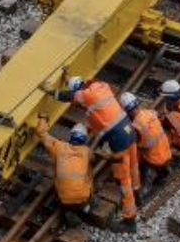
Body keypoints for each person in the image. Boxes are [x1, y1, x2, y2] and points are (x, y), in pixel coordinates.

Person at [57, 77, 138, 221]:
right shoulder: (102, 85)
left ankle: (130, 218)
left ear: (79, 89)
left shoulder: (86, 95)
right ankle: (138, 190)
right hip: (128, 130)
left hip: (118, 141)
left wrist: (52, 92)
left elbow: (69, 96)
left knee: (124, 180)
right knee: (134, 165)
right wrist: (67, 77)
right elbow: (98, 123)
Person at [36, 118, 93, 217]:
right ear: (84, 139)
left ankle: (68, 211)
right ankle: (85, 206)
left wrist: (42, 118)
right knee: (89, 173)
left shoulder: (59, 147)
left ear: (71, 136)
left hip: (64, 198)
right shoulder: (87, 152)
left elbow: (41, 133)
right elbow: (93, 159)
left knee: (58, 178)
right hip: (83, 197)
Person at [123, 91, 171, 189]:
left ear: (127, 111)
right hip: (167, 151)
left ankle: (143, 179)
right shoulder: (149, 113)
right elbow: (157, 114)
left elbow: (131, 140)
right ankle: (163, 170)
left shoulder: (136, 126)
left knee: (136, 156)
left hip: (156, 159)